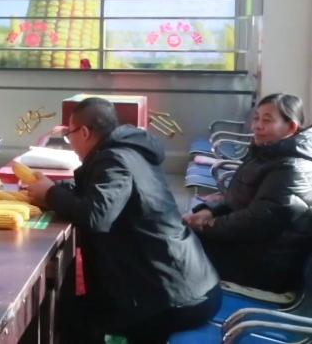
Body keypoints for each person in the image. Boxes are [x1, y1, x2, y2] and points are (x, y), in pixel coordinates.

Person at [25, 97, 220, 344]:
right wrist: (55, 190)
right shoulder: (128, 152)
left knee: (76, 316)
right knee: (76, 305)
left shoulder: (115, 159)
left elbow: (96, 215)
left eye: (69, 135)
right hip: (177, 286)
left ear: (84, 133)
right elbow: (97, 193)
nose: (70, 143)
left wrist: (51, 194)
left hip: (173, 298)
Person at [184, 93, 312, 293]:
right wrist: (209, 212)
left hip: (262, 266)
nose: (257, 126)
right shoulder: (266, 154)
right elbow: (239, 201)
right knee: (168, 239)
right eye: (256, 118)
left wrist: (208, 226)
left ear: (291, 128)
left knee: (171, 250)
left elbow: (258, 222)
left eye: (267, 120)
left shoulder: (292, 168)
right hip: (245, 247)